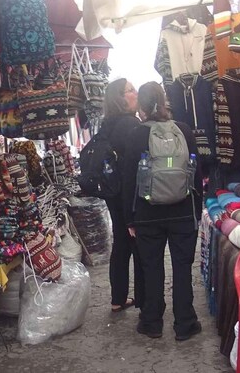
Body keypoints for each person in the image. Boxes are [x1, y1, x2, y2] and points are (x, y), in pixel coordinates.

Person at [120, 82, 203, 341]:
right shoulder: (185, 131)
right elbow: (196, 174)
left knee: (152, 268)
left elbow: (128, 181)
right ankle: (185, 323)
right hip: (182, 213)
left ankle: (152, 322)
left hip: (147, 214)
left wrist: (129, 218)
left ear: (142, 106)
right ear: (165, 101)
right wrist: (196, 213)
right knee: (182, 267)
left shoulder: (135, 135)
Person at [100, 78, 144, 313]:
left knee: (120, 241)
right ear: (120, 97)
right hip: (128, 190)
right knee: (137, 241)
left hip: (112, 189)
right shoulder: (130, 124)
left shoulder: (107, 123)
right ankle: (144, 298)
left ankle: (118, 297)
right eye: (131, 90)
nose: (136, 93)